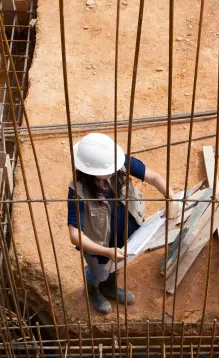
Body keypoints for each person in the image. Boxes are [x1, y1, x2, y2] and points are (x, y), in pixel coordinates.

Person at [68, 133, 178, 314]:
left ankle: (109, 287)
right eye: (106, 170)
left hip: (127, 232)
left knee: (116, 266)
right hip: (99, 245)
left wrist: (172, 199)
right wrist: (106, 251)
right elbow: (74, 235)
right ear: (90, 170)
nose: (113, 170)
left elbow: (154, 177)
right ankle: (93, 289)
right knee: (100, 271)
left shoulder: (118, 162)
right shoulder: (77, 191)